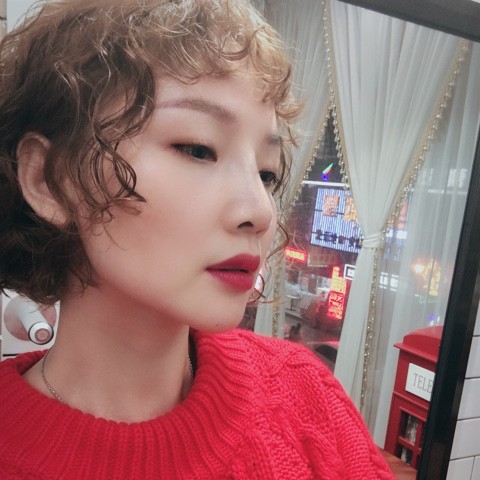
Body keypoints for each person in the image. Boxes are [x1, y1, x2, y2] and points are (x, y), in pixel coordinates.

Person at [0, 1, 395, 478]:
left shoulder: (306, 395)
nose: (260, 211)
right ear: (49, 179)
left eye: (267, 173)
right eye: (198, 149)